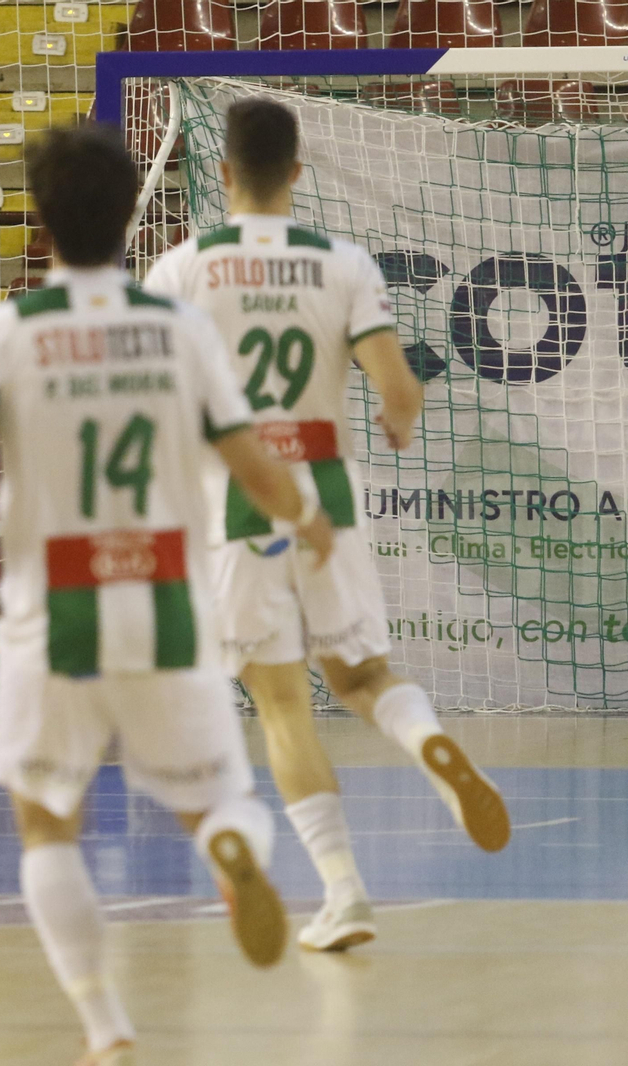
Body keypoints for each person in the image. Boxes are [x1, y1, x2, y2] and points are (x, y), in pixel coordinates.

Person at [0, 122, 334, 1066]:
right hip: (166, 600)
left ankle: (105, 1024)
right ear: (134, 216)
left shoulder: (0, 334)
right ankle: (232, 851)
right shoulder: (181, 329)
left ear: (39, 222)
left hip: (57, 614)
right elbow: (261, 472)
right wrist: (310, 519)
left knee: (48, 826)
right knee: (219, 801)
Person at [143, 96, 511, 953]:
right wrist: (397, 418)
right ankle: (431, 746)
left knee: (280, 705)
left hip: (238, 496)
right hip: (327, 492)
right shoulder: (341, 263)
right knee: (362, 678)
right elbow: (399, 387)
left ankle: (343, 892)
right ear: (298, 176)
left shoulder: (181, 269)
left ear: (224, 172)